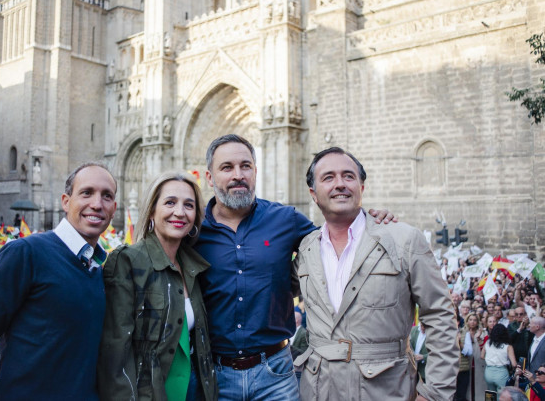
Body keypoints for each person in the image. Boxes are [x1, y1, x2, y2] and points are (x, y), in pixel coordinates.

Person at [193, 135, 395, 400]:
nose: (238, 175)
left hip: (275, 375)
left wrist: (367, 217)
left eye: (246, 166)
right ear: (209, 177)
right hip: (214, 378)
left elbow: (335, 240)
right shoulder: (193, 231)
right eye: (227, 168)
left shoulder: (284, 219)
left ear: (255, 171)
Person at [292, 146, 459, 400]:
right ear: (313, 194)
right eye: (328, 178)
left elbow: (440, 316)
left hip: (386, 391)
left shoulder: (404, 240)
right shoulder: (306, 248)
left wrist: (435, 393)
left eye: (348, 176)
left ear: (362, 187)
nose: (340, 184)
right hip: (318, 391)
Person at [0, 162, 117, 400]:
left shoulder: (101, 270)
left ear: (114, 208)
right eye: (86, 193)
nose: (97, 204)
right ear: (66, 201)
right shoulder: (25, 254)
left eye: (106, 196)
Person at [98, 172, 217, 400]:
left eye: (189, 205)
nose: (180, 212)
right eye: (170, 202)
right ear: (152, 210)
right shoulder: (128, 261)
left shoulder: (194, 266)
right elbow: (115, 353)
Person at [482, 323, 517, 392]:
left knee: (491, 395)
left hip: (488, 372)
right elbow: (514, 364)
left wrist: (490, 359)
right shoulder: (508, 346)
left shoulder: (488, 343)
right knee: (502, 395)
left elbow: (482, 356)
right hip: (501, 372)